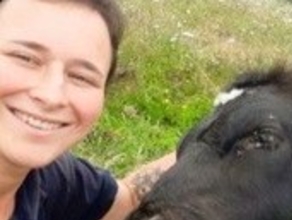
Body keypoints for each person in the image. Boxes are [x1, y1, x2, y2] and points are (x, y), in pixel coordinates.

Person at [0, 0, 176, 219]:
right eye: (24, 58)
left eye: (80, 77)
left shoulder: (49, 181)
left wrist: (216, 136)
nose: (51, 96)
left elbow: (129, 199)